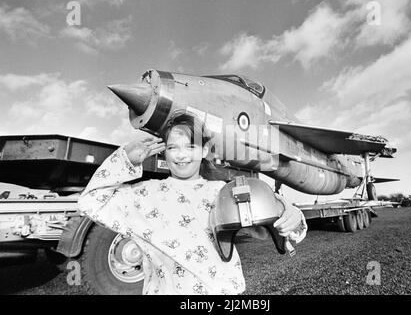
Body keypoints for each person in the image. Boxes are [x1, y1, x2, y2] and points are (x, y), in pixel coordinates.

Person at [78, 112, 307, 295]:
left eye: (190, 146)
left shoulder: (223, 192)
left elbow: (277, 225)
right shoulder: (144, 196)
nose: (181, 155)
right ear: (163, 152)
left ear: (204, 150)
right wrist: (125, 158)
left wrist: (290, 213)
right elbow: (90, 201)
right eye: (172, 147)